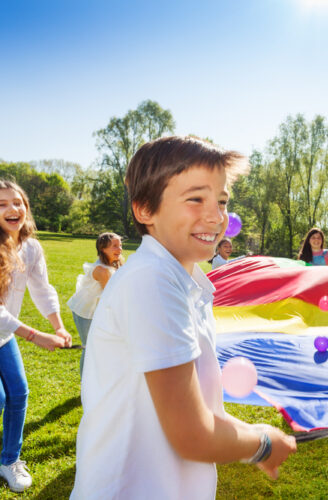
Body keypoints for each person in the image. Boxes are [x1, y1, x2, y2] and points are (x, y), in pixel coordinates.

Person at [71, 136, 296, 500]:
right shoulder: (152, 280)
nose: (216, 216)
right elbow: (193, 434)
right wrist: (262, 444)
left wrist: (252, 431)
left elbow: (201, 409)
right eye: (196, 199)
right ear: (145, 210)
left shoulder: (181, 279)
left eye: (221, 201)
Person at [0, 179, 71, 493]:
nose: (13, 209)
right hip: (9, 330)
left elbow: (42, 290)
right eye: (1, 204)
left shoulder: (30, 248)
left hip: (3, 337)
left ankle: (9, 460)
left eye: (17, 202)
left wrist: (57, 326)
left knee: (19, 394)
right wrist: (33, 335)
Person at [67, 232, 124, 376]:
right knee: (89, 347)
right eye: (115, 246)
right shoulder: (102, 270)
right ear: (103, 248)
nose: (120, 249)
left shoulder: (116, 263)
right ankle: (85, 385)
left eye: (120, 245)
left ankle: (98, 381)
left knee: (101, 347)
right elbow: (110, 296)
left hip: (98, 309)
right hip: (85, 311)